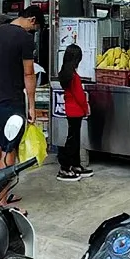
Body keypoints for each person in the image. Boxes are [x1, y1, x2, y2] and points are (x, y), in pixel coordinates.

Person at [0, 5, 43, 203]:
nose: (33, 30)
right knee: (9, 150)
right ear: (32, 20)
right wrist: (32, 105)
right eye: (35, 27)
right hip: (10, 101)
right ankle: (0, 201)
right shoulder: (24, 38)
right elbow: (29, 73)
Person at [57, 44, 92, 182]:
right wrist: (86, 108)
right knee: (72, 140)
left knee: (74, 138)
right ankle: (65, 167)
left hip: (70, 109)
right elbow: (80, 96)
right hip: (76, 110)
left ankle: (75, 165)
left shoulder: (65, 74)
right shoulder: (73, 77)